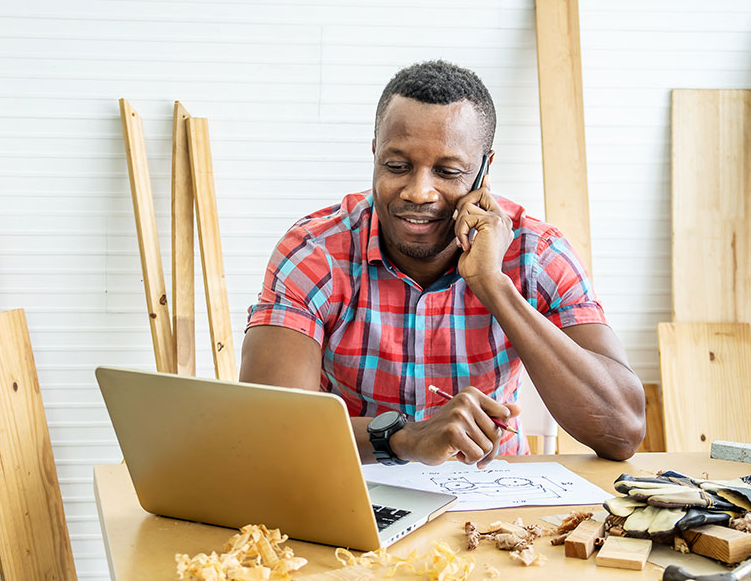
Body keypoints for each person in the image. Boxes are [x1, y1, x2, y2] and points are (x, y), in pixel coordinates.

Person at [240, 60, 645, 467]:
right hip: (354, 490)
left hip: (493, 502)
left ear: (484, 170)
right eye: (397, 166)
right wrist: (405, 437)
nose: (419, 192)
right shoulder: (316, 252)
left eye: (448, 171)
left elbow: (622, 431)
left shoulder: (536, 253)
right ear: (375, 152)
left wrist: (492, 283)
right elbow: (269, 429)